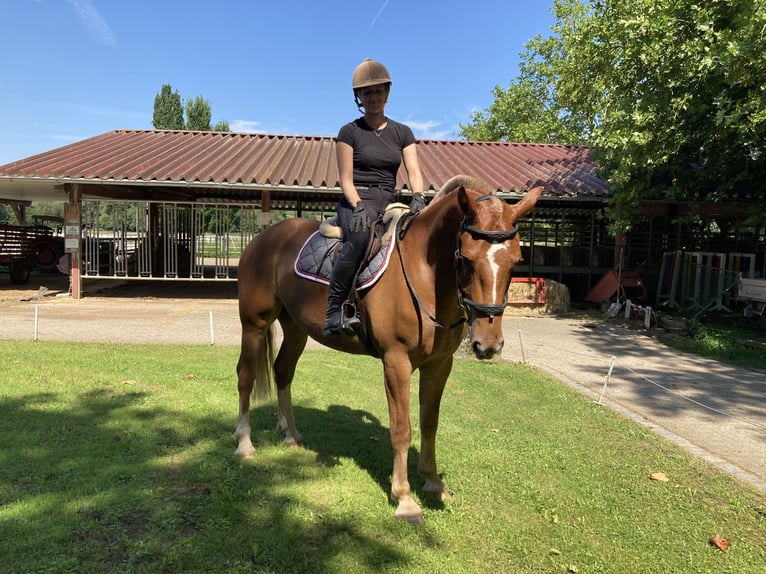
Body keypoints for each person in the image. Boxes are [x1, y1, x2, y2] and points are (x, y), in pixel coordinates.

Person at [323, 58, 426, 336]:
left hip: (388, 200)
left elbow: (414, 170)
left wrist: (418, 196)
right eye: (366, 92)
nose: (373, 97)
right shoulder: (350, 131)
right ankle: (334, 311)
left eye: (378, 91)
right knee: (359, 238)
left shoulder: (402, 133)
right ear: (359, 97)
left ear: (387, 93)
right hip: (356, 200)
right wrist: (357, 206)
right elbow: (345, 178)